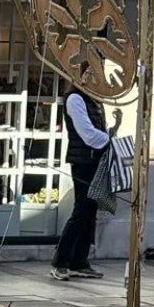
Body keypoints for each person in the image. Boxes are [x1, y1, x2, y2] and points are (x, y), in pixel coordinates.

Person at [50, 84, 118, 281]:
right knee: (81, 211)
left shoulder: (93, 98)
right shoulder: (75, 98)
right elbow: (87, 134)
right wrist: (108, 139)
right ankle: (60, 261)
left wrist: (111, 131)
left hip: (93, 159)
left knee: (90, 211)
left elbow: (96, 133)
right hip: (83, 161)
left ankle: (79, 261)